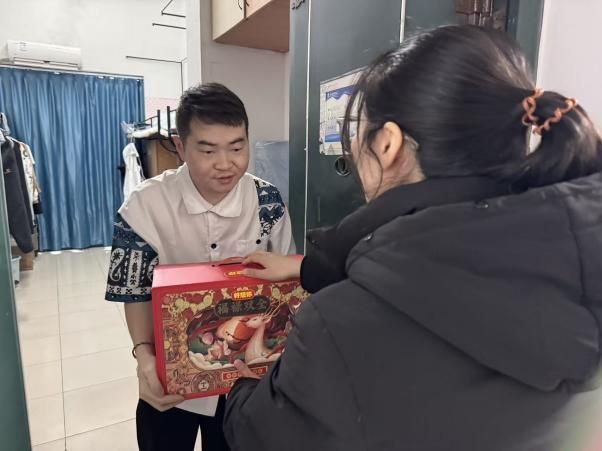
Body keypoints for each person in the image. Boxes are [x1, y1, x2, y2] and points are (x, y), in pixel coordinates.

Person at [225, 25, 602, 451]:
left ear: (388, 144)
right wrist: (309, 268)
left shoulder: (338, 328)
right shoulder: (577, 260)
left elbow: (260, 434)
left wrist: (244, 383)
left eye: (358, 132)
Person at [104, 82, 295, 451]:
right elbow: (134, 292)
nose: (225, 164)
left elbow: (285, 284)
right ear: (180, 146)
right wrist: (144, 356)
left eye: (237, 147)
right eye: (208, 150)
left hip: (244, 375)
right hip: (171, 372)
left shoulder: (267, 201)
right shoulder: (143, 207)